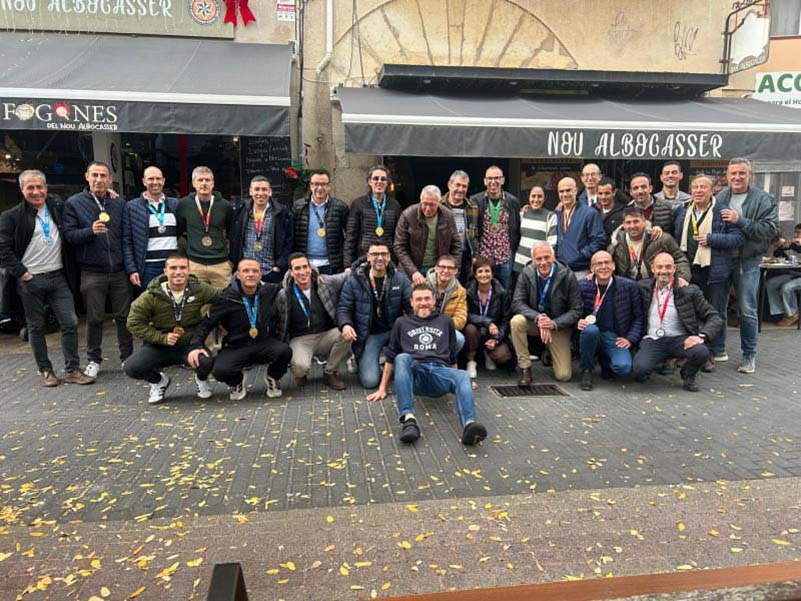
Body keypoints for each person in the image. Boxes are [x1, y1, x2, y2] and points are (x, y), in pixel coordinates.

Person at [0, 169, 95, 387]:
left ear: (46, 188)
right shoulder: (11, 216)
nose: (36, 192)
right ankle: (46, 370)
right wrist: (23, 273)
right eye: (30, 188)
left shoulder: (57, 208)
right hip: (30, 280)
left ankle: (72, 370)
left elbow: (80, 202)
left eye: (39, 187)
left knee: (70, 322)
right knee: (36, 327)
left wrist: (109, 193)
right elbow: (3, 249)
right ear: (22, 190)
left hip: (57, 277)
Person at [366, 283, 488, 447]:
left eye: (427, 299)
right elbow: (390, 357)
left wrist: (460, 382)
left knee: (463, 375)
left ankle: (469, 426)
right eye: (419, 299)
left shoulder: (446, 322)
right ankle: (409, 420)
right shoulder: (401, 323)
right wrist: (382, 388)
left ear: (434, 300)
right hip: (416, 375)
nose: (423, 303)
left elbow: (452, 357)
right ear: (411, 302)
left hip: (439, 373)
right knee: (402, 358)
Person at [62, 161, 133, 378]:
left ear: (110, 179)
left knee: (124, 317)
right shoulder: (74, 203)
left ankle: (128, 357)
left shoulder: (119, 203)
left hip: (119, 270)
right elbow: (69, 236)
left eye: (103, 176)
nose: (99, 180)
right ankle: (93, 359)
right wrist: (89, 231)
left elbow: (126, 236)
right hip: (92, 271)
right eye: (95, 175)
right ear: (87, 176)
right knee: (94, 319)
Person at [187, 258, 292, 400]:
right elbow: (206, 324)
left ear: (260, 275)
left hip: (263, 343)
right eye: (246, 271)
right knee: (220, 371)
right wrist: (196, 346)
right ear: (238, 275)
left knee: (285, 351)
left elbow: (289, 285)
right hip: (236, 346)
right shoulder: (226, 298)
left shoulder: (268, 291)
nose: (251, 274)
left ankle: (272, 377)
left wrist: (316, 279)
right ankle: (237, 381)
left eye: (255, 271)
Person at [124, 254, 220, 404]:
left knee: (206, 362)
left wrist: (216, 321)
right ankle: (158, 381)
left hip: (190, 344)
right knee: (132, 367)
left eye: (182, 268)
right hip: (160, 345)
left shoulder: (199, 288)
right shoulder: (152, 294)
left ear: (188, 270)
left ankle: (201, 379)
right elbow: (133, 322)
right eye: (173, 268)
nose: (178, 272)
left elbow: (224, 298)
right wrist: (160, 337)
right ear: (165, 271)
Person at [716, 157, 779, 374]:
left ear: (749, 175)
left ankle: (749, 355)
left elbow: (770, 229)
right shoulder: (721, 196)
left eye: (741, 173)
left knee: (747, 309)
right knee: (719, 307)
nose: (737, 177)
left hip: (748, 260)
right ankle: (718, 349)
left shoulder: (763, 199)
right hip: (723, 259)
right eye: (733, 173)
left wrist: (740, 220)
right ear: (727, 175)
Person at [674, 174, 744, 365]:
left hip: (714, 270)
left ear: (712, 190)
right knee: (690, 311)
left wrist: (712, 239)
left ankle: (715, 350)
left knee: (715, 311)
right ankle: (692, 350)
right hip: (689, 268)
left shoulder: (722, 211)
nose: (698, 191)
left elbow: (738, 238)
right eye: (695, 187)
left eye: (703, 187)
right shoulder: (683, 210)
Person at [632, 252, 723, 392]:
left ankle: (688, 374)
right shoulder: (642, 287)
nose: (664, 271)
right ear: (652, 268)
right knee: (639, 370)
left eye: (668, 267)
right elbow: (621, 286)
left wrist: (701, 336)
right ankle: (648, 368)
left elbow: (714, 317)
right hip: (653, 339)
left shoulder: (689, 290)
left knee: (701, 352)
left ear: (674, 268)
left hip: (680, 339)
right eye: (659, 267)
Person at [338, 242, 412, 389]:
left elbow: (411, 306)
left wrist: (413, 327)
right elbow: (343, 308)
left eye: (383, 254)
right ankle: (359, 359)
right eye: (375, 254)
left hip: (395, 331)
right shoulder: (354, 280)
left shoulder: (400, 279)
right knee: (370, 381)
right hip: (370, 334)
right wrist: (345, 325)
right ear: (368, 257)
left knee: (408, 368)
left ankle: (390, 363)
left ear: (389, 257)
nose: (379, 258)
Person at [274, 253, 350, 390]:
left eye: (305, 267)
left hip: (326, 335)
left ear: (310, 268)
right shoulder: (283, 294)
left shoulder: (325, 283)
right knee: (300, 367)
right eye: (297, 268)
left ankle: (330, 372)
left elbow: (347, 274)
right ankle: (301, 374)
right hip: (301, 339)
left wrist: (366, 259)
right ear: (291, 272)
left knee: (347, 333)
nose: (302, 272)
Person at [510, 241, 582, 384]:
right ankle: (525, 368)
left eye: (546, 257)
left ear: (553, 257)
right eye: (538, 259)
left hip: (558, 326)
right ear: (533, 260)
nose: (543, 262)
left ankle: (550, 352)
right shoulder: (526, 273)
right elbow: (517, 302)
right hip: (535, 321)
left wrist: (554, 323)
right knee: (516, 321)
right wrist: (537, 317)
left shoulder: (567, 275)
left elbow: (577, 309)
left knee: (563, 376)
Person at [577, 251, 643, 390]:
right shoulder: (582, 285)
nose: (603, 267)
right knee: (590, 331)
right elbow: (573, 311)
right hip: (590, 333)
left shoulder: (629, 286)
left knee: (623, 367)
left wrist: (630, 339)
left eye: (607, 262)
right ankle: (586, 370)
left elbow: (638, 317)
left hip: (613, 337)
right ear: (592, 268)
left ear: (613, 265)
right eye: (598, 264)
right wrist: (578, 321)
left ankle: (605, 361)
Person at [175, 166, 234, 288]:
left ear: (213, 183)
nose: (204, 183)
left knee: (225, 298)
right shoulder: (184, 205)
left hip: (221, 264)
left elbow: (231, 232)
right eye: (200, 180)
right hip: (195, 264)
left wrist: (230, 262)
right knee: (196, 299)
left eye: (207, 180)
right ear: (193, 183)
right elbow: (179, 230)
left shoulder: (225, 206)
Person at [122, 166, 179, 291]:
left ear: (163, 181)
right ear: (144, 181)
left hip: (173, 265)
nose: (155, 182)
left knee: (175, 300)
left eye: (158, 178)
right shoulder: (131, 207)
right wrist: (132, 269)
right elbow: (127, 241)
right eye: (151, 179)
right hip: (148, 267)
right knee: (150, 301)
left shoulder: (175, 204)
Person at [230, 176, 293, 284]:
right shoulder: (241, 211)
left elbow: (289, 242)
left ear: (270, 192)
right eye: (257, 189)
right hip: (246, 271)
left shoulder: (282, 213)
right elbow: (233, 238)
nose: (260, 193)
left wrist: (278, 266)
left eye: (264, 189)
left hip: (270, 271)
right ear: (250, 191)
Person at [395, 185, 461, 285]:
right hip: (410, 269)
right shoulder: (408, 215)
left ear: (439, 202)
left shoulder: (447, 215)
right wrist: (413, 271)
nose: (428, 208)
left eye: (432, 205)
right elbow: (399, 246)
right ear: (420, 200)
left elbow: (456, 245)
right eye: (425, 204)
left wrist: (453, 269)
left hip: (438, 270)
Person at [609, 207, 691, 282]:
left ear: (644, 221)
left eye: (636, 221)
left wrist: (682, 278)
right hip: (628, 285)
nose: (632, 226)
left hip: (656, 284)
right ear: (623, 224)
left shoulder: (661, 239)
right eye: (628, 222)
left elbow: (680, 259)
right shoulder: (616, 243)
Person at [470, 165, 520, 289]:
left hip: (505, 256)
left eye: (497, 178)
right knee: (483, 290)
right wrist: (475, 254)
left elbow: (517, 229)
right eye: (490, 178)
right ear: (485, 181)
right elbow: (471, 230)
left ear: (502, 180)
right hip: (484, 256)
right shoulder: (475, 201)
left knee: (505, 291)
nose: (493, 182)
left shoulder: (512, 201)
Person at [463, 255, 513, 379]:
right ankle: (471, 361)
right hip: (475, 332)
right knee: (470, 329)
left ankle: (488, 353)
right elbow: (465, 314)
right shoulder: (468, 291)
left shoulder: (502, 292)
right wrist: (487, 322)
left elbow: (506, 321)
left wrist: (497, 339)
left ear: (493, 273)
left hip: (493, 333)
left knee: (503, 356)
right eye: (480, 271)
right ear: (475, 274)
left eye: (487, 271)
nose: (484, 275)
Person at [292, 169, 349, 275]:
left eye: (323, 184)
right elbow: (292, 236)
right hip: (305, 264)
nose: (319, 188)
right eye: (316, 184)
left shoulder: (340, 207)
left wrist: (347, 263)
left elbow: (349, 237)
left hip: (331, 264)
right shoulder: (299, 207)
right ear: (310, 186)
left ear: (329, 186)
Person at [344, 165, 403, 266]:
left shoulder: (395, 206)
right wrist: (348, 265)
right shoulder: (358, 204)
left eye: (383, 179)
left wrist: (396, 263)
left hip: (386, 260)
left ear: (387, 183)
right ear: (369, 182)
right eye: (376, 178)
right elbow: (351, 236)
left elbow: (397, 238)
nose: (379, 182)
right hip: (363, 258)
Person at [554, 177, 606, 280]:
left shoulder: (590, 213)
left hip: (581, 270)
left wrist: (581, 255)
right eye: (561, 191)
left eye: (568, 190)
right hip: (559, 270)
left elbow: (599, 240)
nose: (565, 194)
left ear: (576, 190)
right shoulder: (556, 214)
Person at [442, 170, 479, 285]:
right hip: (444, 255)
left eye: (464, 186)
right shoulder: (439, 205)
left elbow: (476, 233)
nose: (461, 189)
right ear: (449, 184)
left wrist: (475, 256)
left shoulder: (473, 206)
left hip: (465, 257)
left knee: (462, 288)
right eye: (458, 185)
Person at [425, 254, 467, 351]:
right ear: (436, 268)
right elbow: (410, 310)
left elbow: (461, 319)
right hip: (422, 325)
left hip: (445, 328)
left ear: (455, 271)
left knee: (459, 339)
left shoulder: (460, 291)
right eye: (442, 267)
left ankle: (447, 359)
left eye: (450, 268)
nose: (446, 271)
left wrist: (441, 325)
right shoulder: (422, 284)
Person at [514, 185, 557, 276]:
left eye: (539, 196)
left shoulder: (550, 216)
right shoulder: (522, 214)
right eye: (533, 196)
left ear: (544, 198)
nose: (536, 199)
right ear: (529, 197)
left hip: (537, 266)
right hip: (519, 264)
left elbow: (552, 244)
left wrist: (543, 262)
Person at [766, 223, 801, 327]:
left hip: (797, 275)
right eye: (795, 232)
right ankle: (781, 312)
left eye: (798, 233)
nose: (795, 235)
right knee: (770, 283)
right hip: (795, 273)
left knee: (787, 287)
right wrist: (780, 245)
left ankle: (793, 314)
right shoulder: (795, 244)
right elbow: (777, 253)